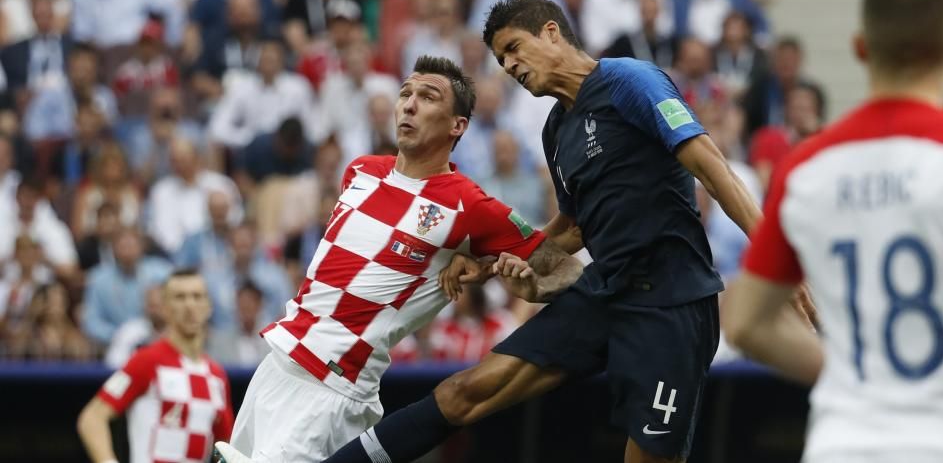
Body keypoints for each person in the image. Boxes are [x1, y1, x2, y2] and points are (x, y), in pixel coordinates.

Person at [285, 0, 766, 463]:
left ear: (551, 32)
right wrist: (489, 265)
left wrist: (770, 253)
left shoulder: (628, 79)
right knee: (463, 393)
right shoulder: (555, 130)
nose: (509, 66)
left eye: (514, 48)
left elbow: (712, 166)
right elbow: (573, 227)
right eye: (500, 58)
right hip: (606, 290)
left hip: (673, 301)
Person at [214, 56, 583, 463]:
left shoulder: (468, 204)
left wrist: (512, 277)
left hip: (332, 390)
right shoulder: (360, 171)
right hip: (276, 364)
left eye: (428, 97)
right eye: (405, 92)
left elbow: (564, 259)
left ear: (457, 125)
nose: (408, 104)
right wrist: (482, 265)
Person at [721, 0, 943, 463]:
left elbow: (742, 321)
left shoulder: (805, 167)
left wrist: (845, 375)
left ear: (860, 49)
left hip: (842, 443)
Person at [77, 269, 234, 463]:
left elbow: (226, 447)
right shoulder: (146, 361)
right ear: (165, 307)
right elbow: (92, 418)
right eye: (180, 297)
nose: (190, 305)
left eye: (197, 296)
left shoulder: (217, 376)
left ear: (209, 306)